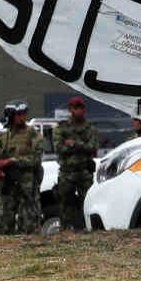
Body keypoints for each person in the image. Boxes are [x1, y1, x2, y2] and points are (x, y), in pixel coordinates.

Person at [0, 99, 44, 234]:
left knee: (28, 226)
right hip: (6, 187)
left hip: (26, 188)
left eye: (23, 114)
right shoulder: (2, 136)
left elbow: (36, 159)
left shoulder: (33, 134)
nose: (22, 117)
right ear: (11, 116)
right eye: (18, 114)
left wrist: (12, 161)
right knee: (2, 226)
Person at [53, 96, 99, 231]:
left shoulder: (90, 128)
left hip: (85, 172)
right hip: (67, 173)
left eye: (80, 108)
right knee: (65, 204)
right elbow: (59, 148)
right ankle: (66, 229)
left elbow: (93, 148)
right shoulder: (62, 128)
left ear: (84, 110)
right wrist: (82, 146)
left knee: (88, 202)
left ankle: (89, 228)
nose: (78, 111)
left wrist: (73, 144)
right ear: (70, 110)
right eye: (75, 108)